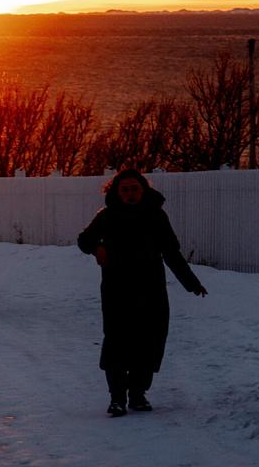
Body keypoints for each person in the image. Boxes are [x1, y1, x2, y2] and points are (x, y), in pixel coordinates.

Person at [77, 168, 208, 418]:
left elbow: (171, 252)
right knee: (117, 341)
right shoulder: (107, 216)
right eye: (124, 189)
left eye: (134, 188)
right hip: (117, 289)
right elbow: (84, 240)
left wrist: (191, 283)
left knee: (149, 341)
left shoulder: (156, 216)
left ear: (143, 190)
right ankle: (117, 398)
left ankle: (138, 394)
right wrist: (98, 247)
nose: (130, 194)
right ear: (115, 191)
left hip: (151, 289)